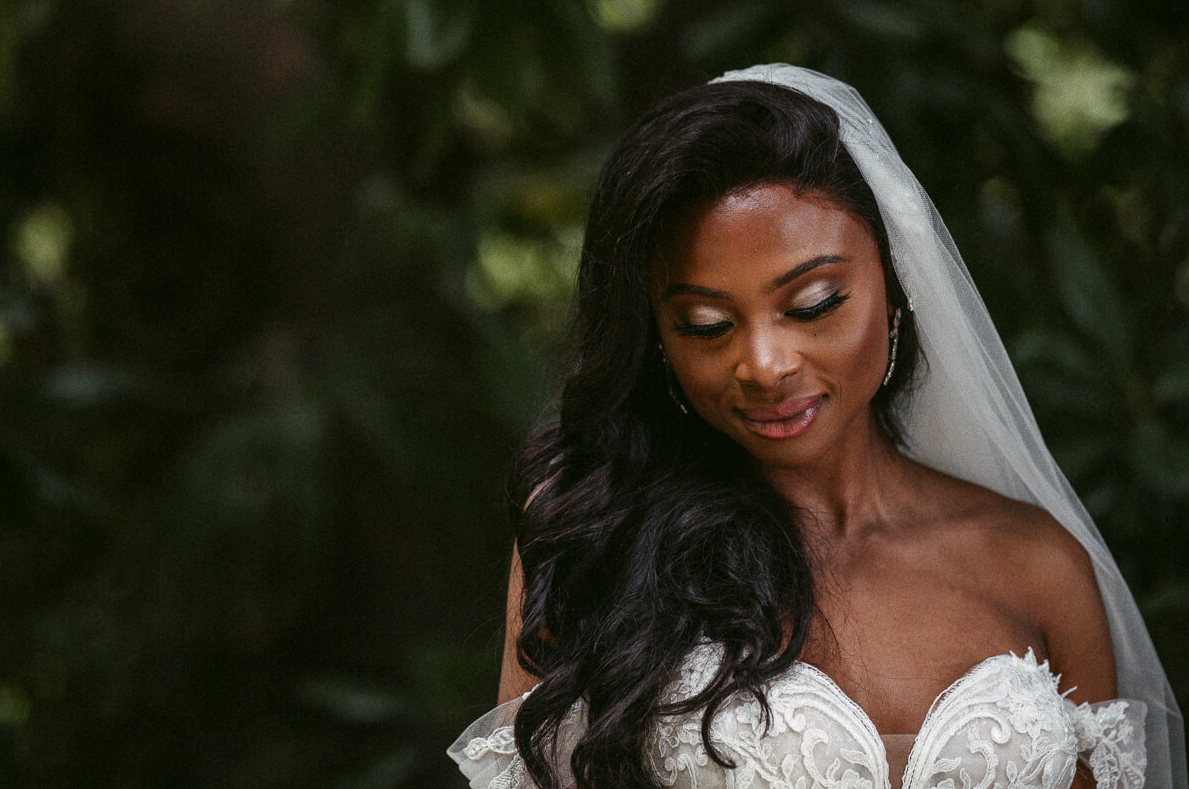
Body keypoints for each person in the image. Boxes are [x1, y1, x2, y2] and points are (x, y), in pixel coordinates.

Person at [448, 65, 1185, 789]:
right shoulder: (595, 537)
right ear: (658, 341)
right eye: (706, 325)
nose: (764, 364)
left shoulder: (1038, 566)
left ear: (897, 289)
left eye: (813, 303)